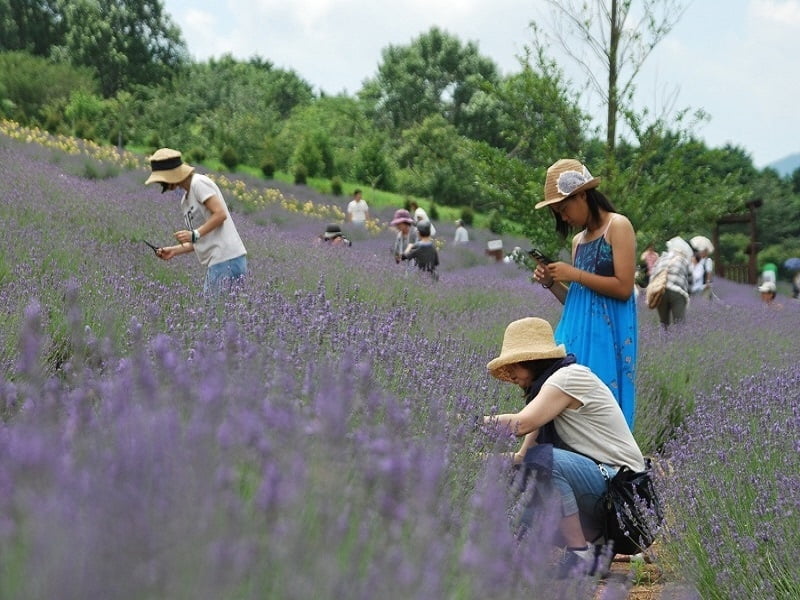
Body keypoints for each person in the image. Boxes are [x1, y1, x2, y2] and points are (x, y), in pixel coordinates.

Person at [482, 317, 646, 578]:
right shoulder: (547, 393)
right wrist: (473, 460)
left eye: (514, 364)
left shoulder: (567, 379)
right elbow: (521, 456)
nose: (510, 373)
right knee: (521, 495)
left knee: (543, 461)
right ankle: (598, 548)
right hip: (602, 487)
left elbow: (522, 424)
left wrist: (465, 422)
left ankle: (582, 553)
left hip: (627, 495)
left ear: (533, 361)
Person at [532, 159, 637, 430]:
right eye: (558, 213)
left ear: (582, 195)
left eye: (564, 209)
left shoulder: (618, 226)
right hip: (576, 333)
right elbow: (579, 300)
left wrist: (574, 274)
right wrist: (552, 282)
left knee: (599, 404)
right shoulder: (578, 241)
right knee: (563, 402)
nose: (564, 218)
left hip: (607, 337)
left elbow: (624, 288)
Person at [145, 147, 247, 296]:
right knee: (223, 316)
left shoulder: (198, 183)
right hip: (220, 261)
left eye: (162, 181)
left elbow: (220, 214)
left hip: (226, 259)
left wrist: (194, 233)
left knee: (213, 315)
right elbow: (200, 238)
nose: (163, 186)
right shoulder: (185, 201)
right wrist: (173, 250)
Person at [650, 237, 693, 328]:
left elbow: (653, 276)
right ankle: (680, 342)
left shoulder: (661, 258)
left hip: (660, 291)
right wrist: (689, 294)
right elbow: (690, 280)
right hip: (677, 292)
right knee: (679, 323)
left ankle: (663, 341)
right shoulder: (684, 260)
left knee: (663, 323)